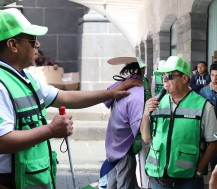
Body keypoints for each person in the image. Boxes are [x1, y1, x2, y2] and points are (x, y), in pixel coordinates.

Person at [0, 8, 140, 189]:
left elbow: (65, 97)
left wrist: (112, 93)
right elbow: (2, 141)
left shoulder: (24, 78)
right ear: (13, 44)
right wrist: (51, 130)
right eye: (32, 39)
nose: (38, 44)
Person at [140, 56, 217, 189]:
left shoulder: (203, 106)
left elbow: (213, 142)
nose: (165, 79)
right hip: (157, 178)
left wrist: (199, 170)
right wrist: (145, 114)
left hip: (188, 180)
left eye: (170, 75)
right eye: (163, 76)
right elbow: (146, 137)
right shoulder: (156, 103)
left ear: (185, 78)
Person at [104, 61, 145, 189]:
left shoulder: (120, 87)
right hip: (125, 151)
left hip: (113, 147)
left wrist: (123, 84)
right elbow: (138, 129)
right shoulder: (137, 94)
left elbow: (105, 99)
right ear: (142, 71)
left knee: (113, 184)